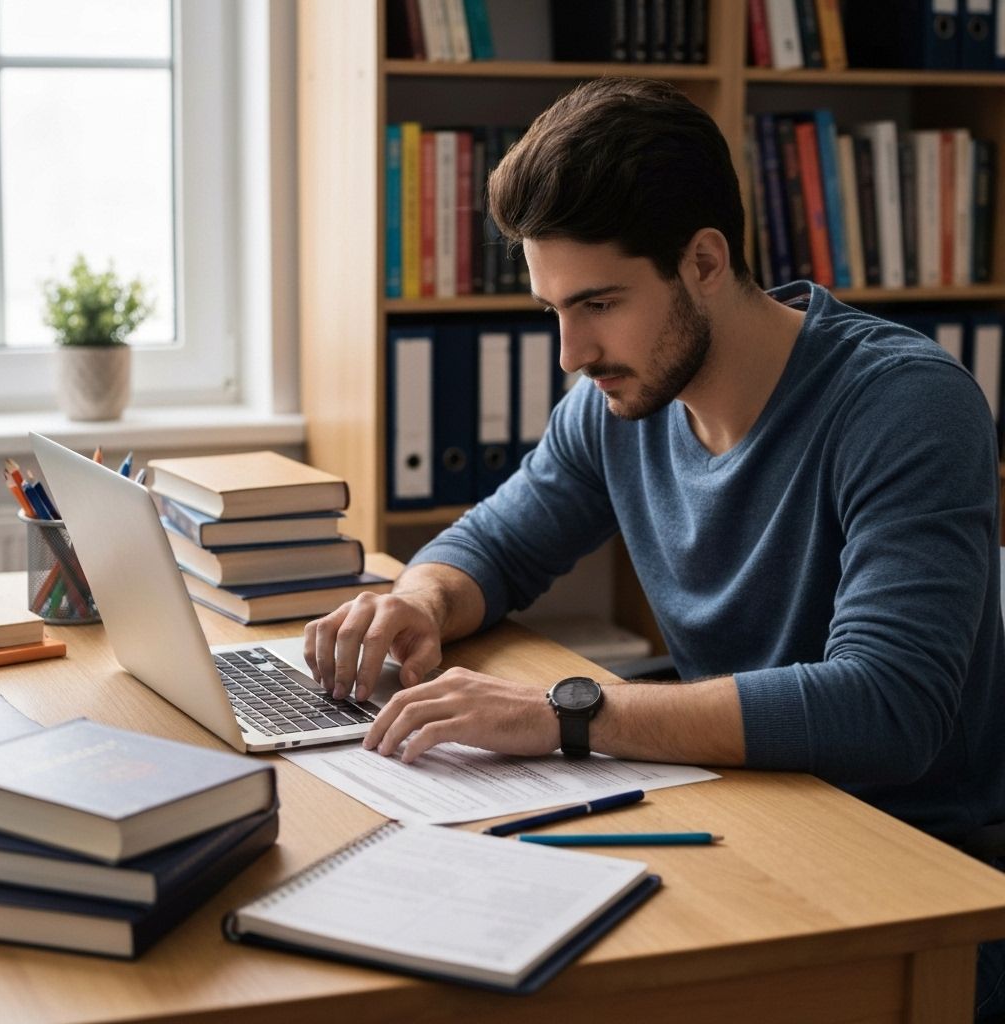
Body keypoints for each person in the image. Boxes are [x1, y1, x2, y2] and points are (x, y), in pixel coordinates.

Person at [304, 79, 1005, 1018]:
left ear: (705, 260)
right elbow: (496, 544)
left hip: (918, 874)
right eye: (553, 306)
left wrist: (568, 712)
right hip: (741, 815)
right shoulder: (620, 404)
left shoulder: (906, 407)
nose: (570, 352)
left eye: (597, 302)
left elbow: (889, 708)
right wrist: (422, 601)